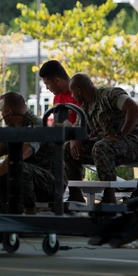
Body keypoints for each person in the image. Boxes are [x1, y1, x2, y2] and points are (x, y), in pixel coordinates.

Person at [0, 92, 62, 213]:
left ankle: (29, 213)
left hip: (51, 183)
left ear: (8, 111)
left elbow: (21, 155)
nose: (1, 114)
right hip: (28, 178)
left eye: (1, 110)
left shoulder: (36, 125)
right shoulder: (14, 127)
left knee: (17, 167)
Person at [66, 73, 138, 205]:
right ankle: (75, 195)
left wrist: (121, 134)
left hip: (132, 143)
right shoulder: (85, 107)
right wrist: (74, 139)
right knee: (67, 149)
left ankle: (109, 196)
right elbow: (77, 127)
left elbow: (135, 109)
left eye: (72, 92)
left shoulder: (109, 95)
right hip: (106, 148)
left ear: (78, 90)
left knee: (101, 146)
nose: (72, 96)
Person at [39, 60, 84, 199]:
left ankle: (75, 195)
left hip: (81, 138)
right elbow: (59, 125)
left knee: (61, 149)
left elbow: (84, 121)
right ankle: (44, 193)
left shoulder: (78, 92)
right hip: (65, 138)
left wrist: (74, 137)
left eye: (47, 83)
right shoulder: (57, 97)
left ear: (57, 80)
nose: (47, 88)